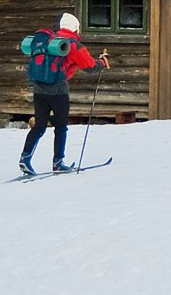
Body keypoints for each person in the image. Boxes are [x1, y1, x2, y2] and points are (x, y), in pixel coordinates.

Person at [19, 12, 108, 175]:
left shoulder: (49, 41)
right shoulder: (72, 45)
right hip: (58, 91)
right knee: (61, 127)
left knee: (39, 126)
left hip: (39, 88)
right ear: (75, 28)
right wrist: (102, 63)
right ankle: (58, 162)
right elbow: (89, 66)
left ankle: (25, 158)